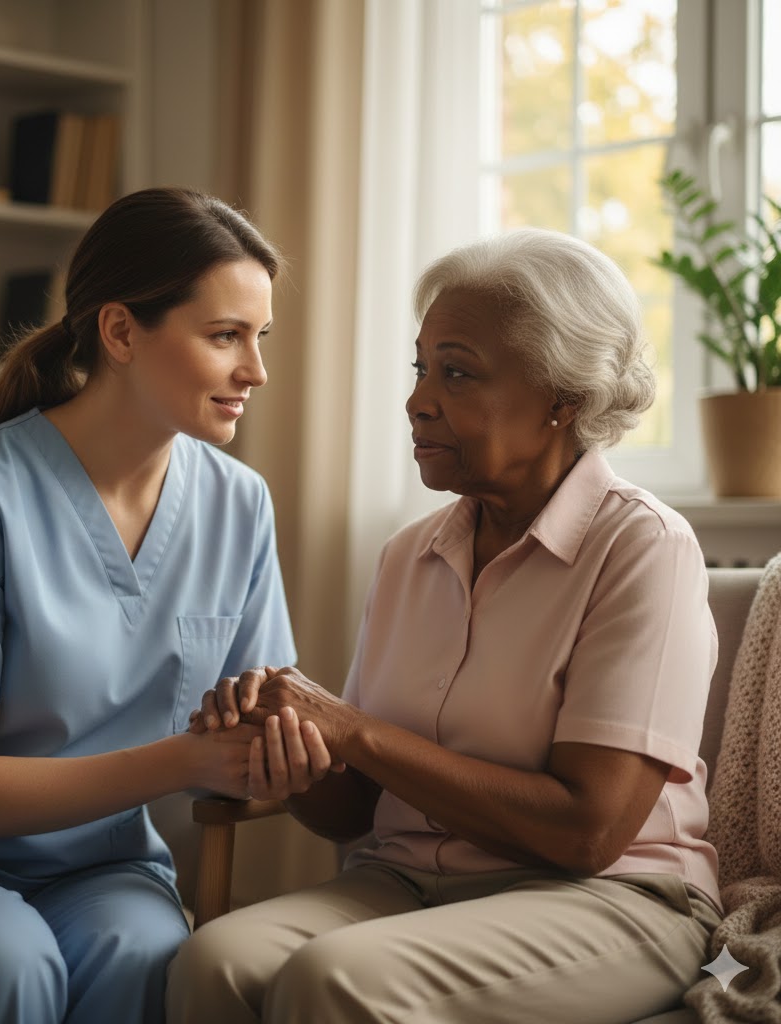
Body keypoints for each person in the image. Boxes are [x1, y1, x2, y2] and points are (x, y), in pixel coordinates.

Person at [0, 187, 334, 1024]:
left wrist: (285, 753)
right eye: (225, 335)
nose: (254, 369)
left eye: (259, 338)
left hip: (101, 866)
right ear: (119, 332)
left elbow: (256, 716)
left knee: (152, 961)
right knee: (2, 964)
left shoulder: (239, 504)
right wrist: (187, 760)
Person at [168, 227, 724, 1024]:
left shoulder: (643, 546)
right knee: (213, 961)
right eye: (421, 367)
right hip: (406, 878)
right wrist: (288, 747)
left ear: (563, 399)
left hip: (613, 898)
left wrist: (353, 731)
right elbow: (355, 809)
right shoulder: (409, 555)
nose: (417, 400)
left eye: (456, 373)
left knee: (334, 977)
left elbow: (587, 833)